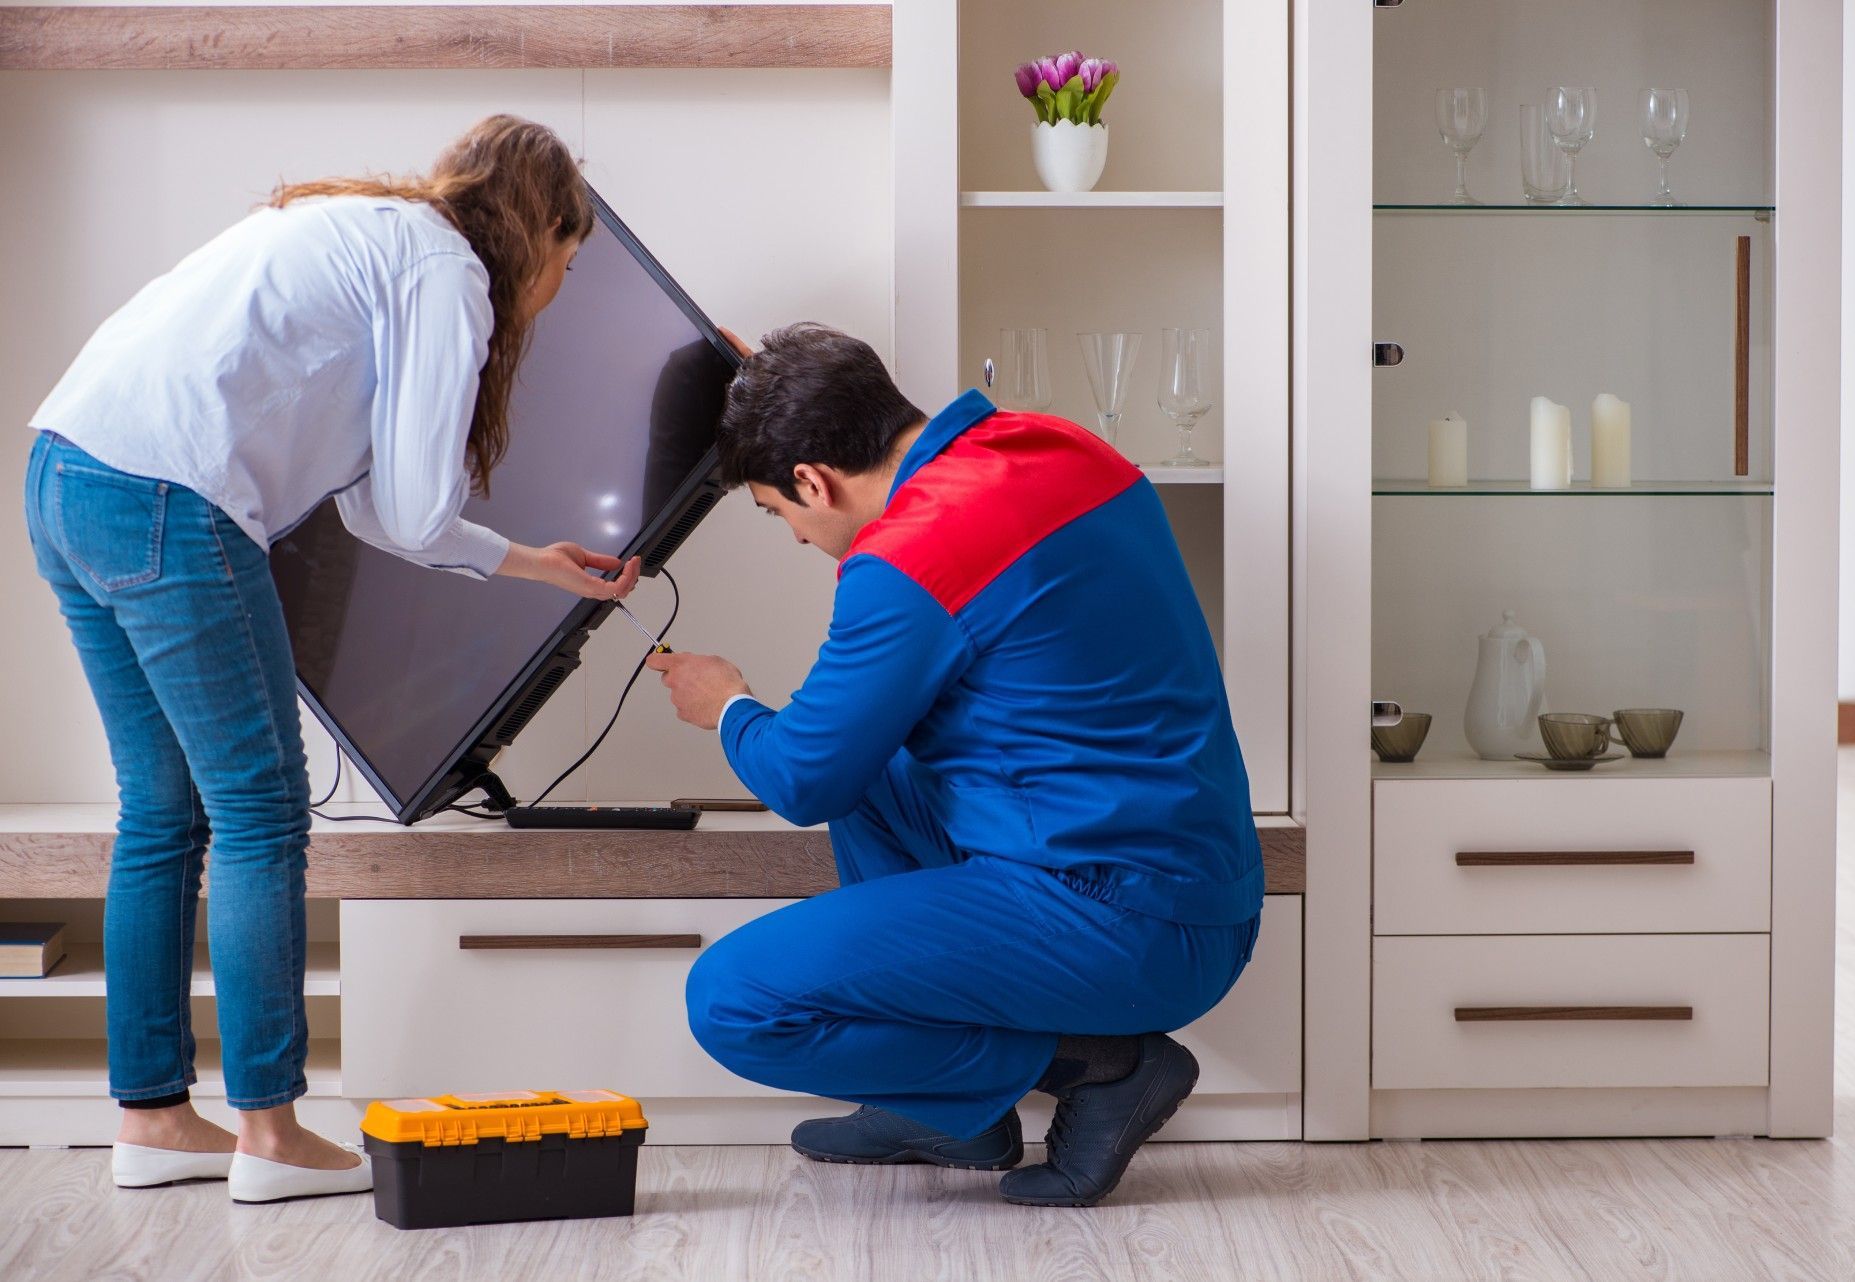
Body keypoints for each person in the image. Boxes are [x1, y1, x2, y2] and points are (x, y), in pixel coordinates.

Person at [21, 115, 641, 1203]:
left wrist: (537, 563)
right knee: (262, 810)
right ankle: (270, 1129)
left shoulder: (370, 227)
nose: (555, 290)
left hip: (66, 472)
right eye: (569, 263)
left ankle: (153, 1117)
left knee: (162, 812)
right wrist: (519, 553)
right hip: (173, 493)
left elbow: (368, 505)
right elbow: (408, 509)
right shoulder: (448, 269)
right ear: (539, 229)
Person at [650, 323, 1263, 1207]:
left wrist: (728, 706)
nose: (791, 535)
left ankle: (1105, 1068)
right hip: (1191, 884)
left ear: (813, 479)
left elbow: (798, 780)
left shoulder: (912, 555)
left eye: (777, 511)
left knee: (735, 1002)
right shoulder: (1058, 446)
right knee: (866, 761)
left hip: (1127, 922)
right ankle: (950, 1114)